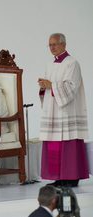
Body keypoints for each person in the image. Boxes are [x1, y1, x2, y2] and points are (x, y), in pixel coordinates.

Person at [38, 33, 89, 187]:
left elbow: (71, 87)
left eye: (55, 44)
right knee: (54, 145)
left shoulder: (72, 63)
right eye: (50, 45)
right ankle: (59, 178)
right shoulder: (50, 64)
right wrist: (43, 87)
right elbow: (49, 86)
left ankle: (72, 177)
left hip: (67, 111)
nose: (52, 48)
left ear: (63, 45)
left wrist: (51, 86)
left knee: (68, 143)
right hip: (53, 111)